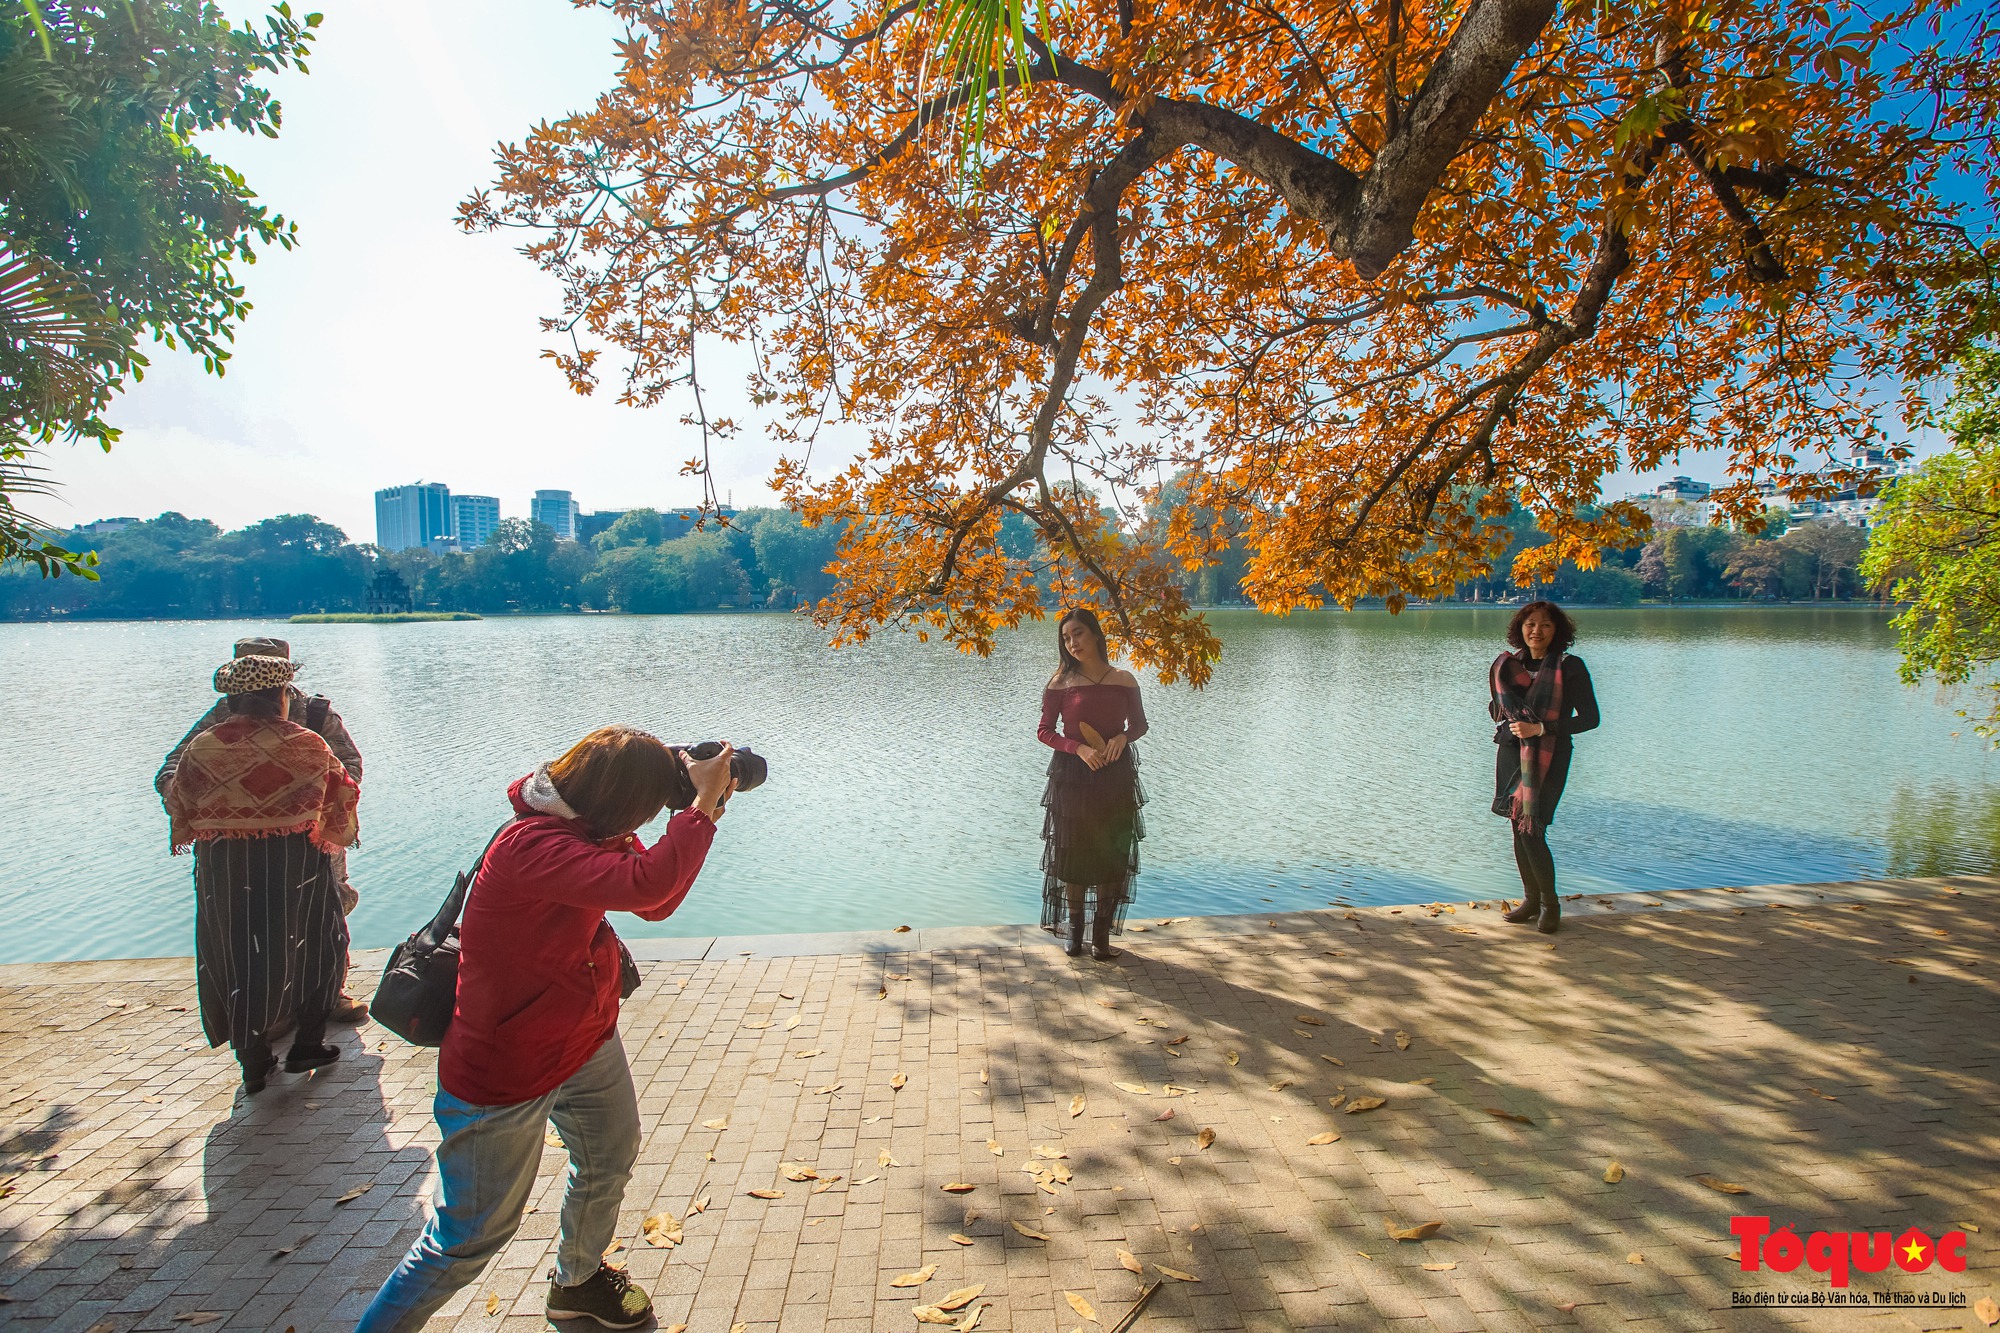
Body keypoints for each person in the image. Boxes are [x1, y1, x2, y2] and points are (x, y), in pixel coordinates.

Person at [357, 726, 736, 1333]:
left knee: (609, 1156)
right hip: (506, 1068)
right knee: (469, 1237)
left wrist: (704, 807)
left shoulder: (591, 831)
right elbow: (650, 884)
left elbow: (653, 902)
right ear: (617, 798)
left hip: (583, 1038)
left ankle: (578, 1283)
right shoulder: (531, 848)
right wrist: (697, 808)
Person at [162, 654, 360, 1093]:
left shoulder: (205, 745)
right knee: (320, 944)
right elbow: (342, 796)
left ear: (233, 700)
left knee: (234, 954)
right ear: (280, 696)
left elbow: (179, 800)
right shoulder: (307, 743)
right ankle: (308, 1042)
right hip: (296, 864)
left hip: (224, 869)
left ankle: (252, 1060)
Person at [1038, 607, 1148, 961]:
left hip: (1115, 775)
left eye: (1078, 634)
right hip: (1072, 777)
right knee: (1073, 852)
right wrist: (1078, 748)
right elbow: (1044, 732)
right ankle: (1075, 932)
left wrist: (1123, 738)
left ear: (1096, 634)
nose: (1072, 643)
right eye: (1066, 638)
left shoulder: (1125, 679)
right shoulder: (1060, 683)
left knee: (1112, 853)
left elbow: (1141, 725)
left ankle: (1102, 937)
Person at [1489, 600, 1599, 934]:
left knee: (1533, 829)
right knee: (1516, 826)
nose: (1537, 631)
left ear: (1557, 631)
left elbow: (1591, 719)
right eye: (1530, 624)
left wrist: (1541, 729)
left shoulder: (1571, 667)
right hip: (1511, 753)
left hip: (1551, 754)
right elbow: (1495, 708)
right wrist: (1509, 720)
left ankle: (1550, 905)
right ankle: (1531, 900)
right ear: (1520, 629)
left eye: (1546, 625)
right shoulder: (1506, 666)